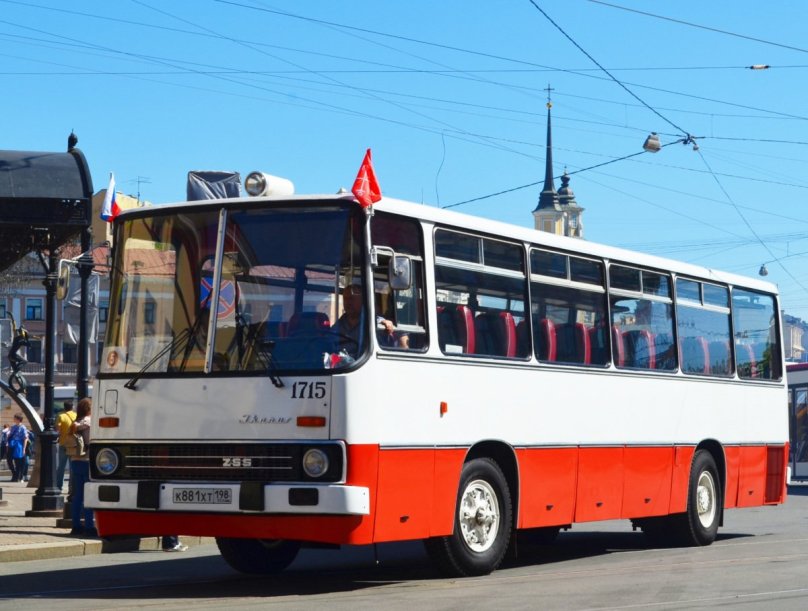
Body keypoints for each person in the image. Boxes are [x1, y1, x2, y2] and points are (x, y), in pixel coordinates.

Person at [69, 398, 96, 536]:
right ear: (89, 409)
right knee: (89, 495)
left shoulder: (75, 423)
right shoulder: (90, 422)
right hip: (87, 460)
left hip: (75, 460)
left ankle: (76, 525)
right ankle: (89, 526)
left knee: (78, 495)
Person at [55, 400, 77, 493]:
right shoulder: (76, 415)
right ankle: (71, 488)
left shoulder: (61, 416)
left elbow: (58, 429)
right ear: (72, 407)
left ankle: (59, 486)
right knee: (72, 467)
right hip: (73, 444)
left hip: (63, 443)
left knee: (61, 466)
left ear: (64, 407)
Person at [7, 413, 28, 482]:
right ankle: (14, 474)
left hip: (19, 446)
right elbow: (10, 435)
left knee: (18, 462)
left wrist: (24, 449)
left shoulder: (23, 427)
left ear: (18, 419)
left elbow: (25, 438)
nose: (13, 419)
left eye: (15, 418)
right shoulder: (13, 426)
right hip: (12, 445)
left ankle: (17, 476)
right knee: (9, 460)